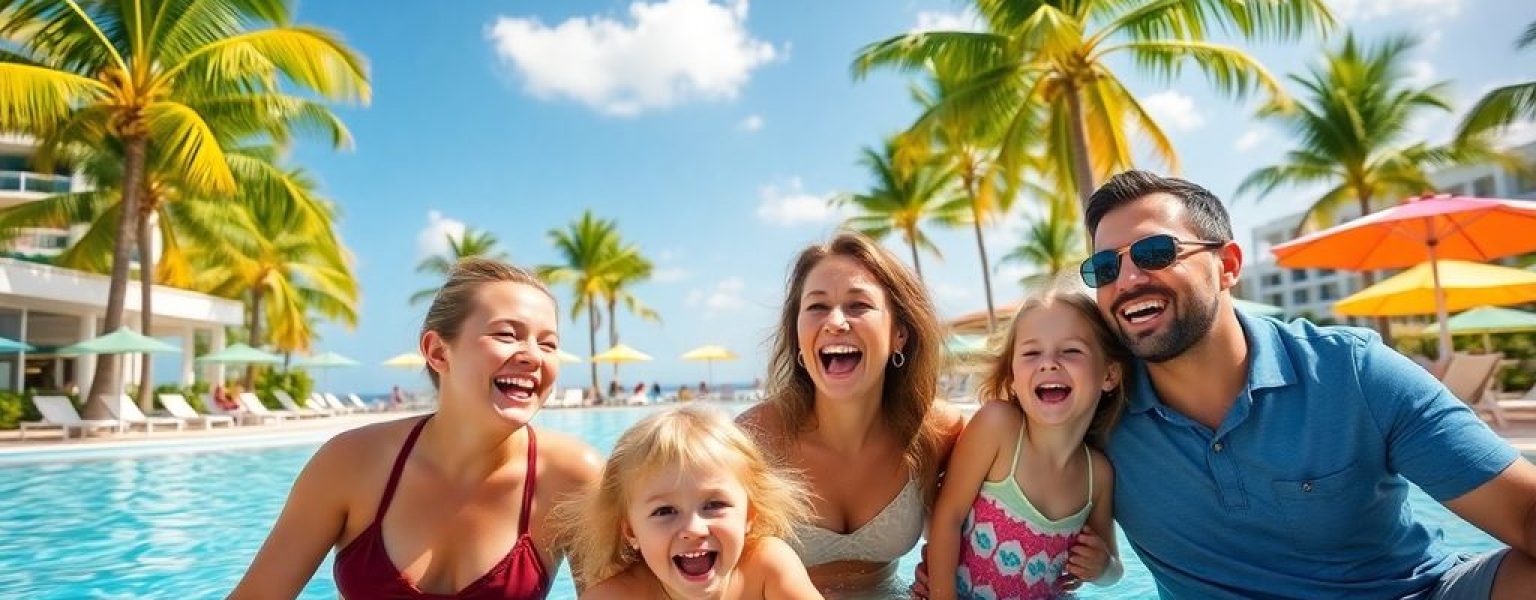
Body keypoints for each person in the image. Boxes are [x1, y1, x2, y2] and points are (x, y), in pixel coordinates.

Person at [1082, 171, 1536, 597]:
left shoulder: (1352, 371)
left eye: (1155, 252)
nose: (1127, 280)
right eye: (1104, 269)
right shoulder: (1092, 407)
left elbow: (1523, 511)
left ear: (1228, 266)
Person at [231, 258, 602, 598]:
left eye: (548, 344)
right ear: (438, 352)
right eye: (506, 335)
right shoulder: (351, 463)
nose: (533, 356)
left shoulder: (570, 477)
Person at [738, 231, 964, 596]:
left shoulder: (937, 431)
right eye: (816, 307)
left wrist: (1092, 556)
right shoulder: (754, 440)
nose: (835, 321)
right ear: (797, 335)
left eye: (858, 305)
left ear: (899, 334)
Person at [925, 283, 1125, 599]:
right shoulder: (999, 428)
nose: (1048, 363)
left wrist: (1101, 568)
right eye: (1032, 353)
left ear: (1109, 374)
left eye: (1071, 350)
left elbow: (1115, 570)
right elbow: (947, 517)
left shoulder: (1096, 476)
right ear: (1012, 380)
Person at [566, 405, 822, 599]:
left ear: (749, 516)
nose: (694, 528)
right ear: (632, 531)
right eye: (664, 511)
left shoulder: (767, 568)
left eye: (714, 505)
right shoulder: (614, 597)